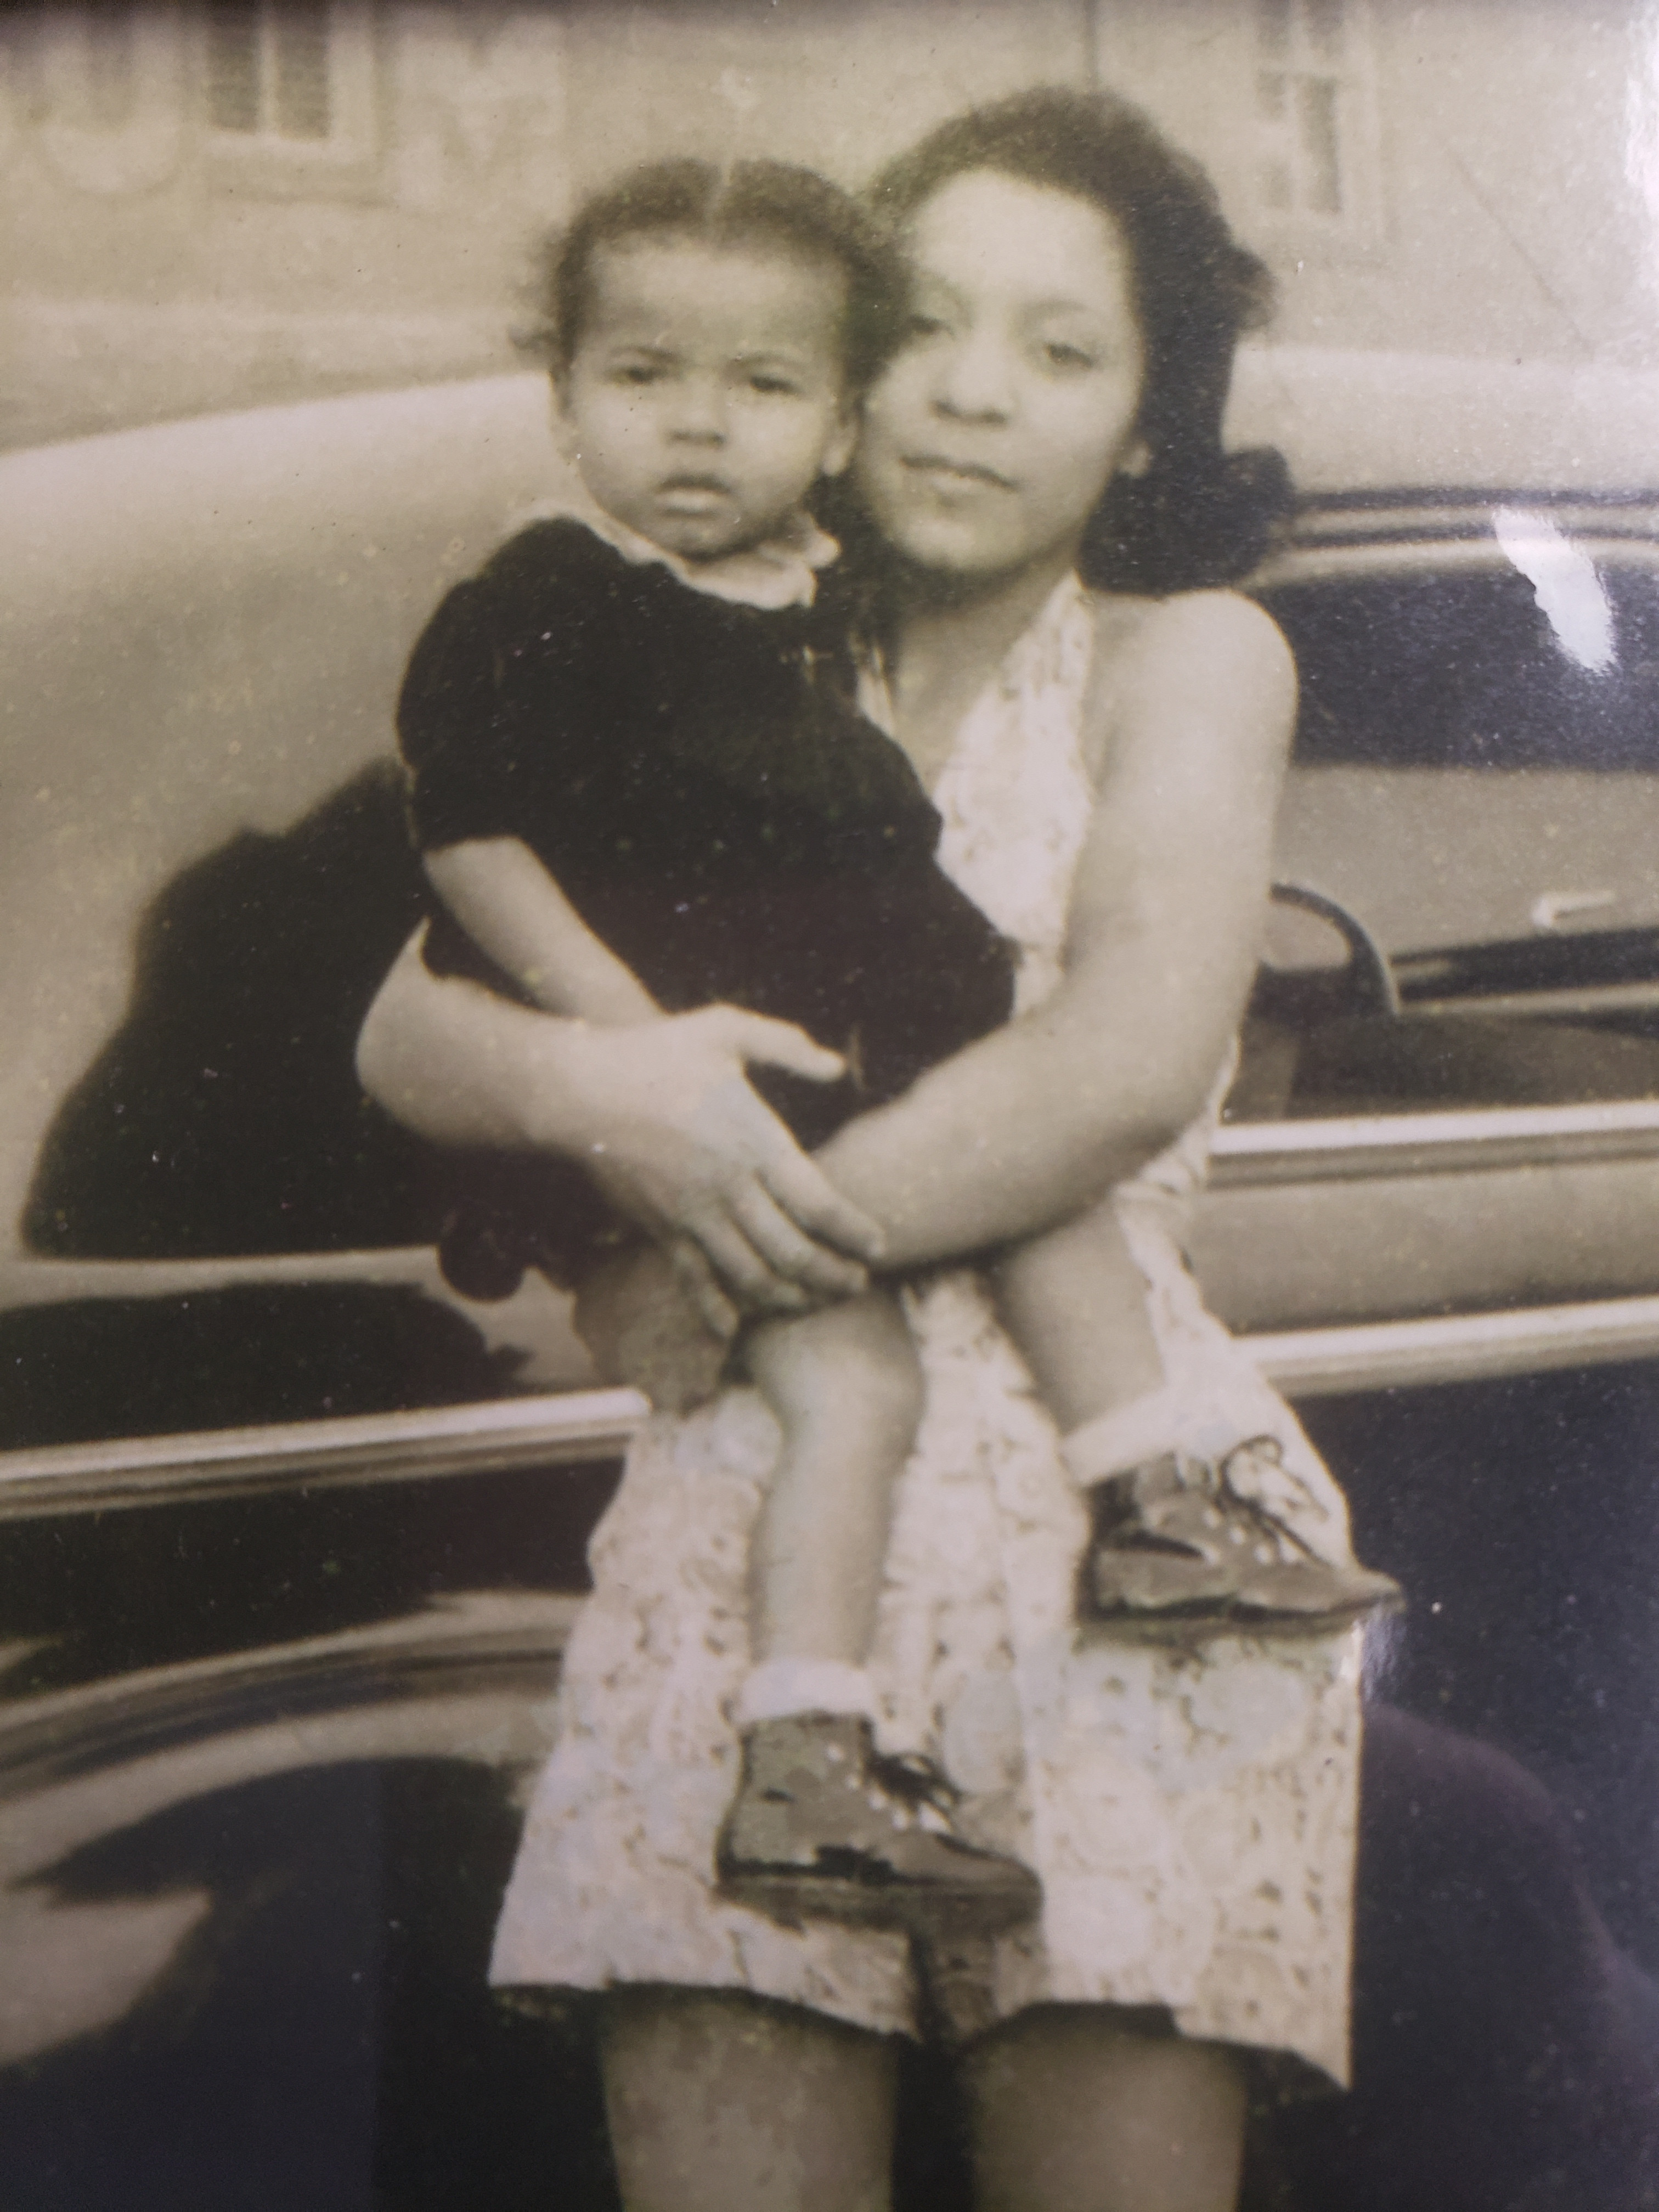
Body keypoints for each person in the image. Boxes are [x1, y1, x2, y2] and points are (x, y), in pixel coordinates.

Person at [359, 85, 1372, 2212]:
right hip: (756, 1522)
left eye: (1064, 352)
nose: (979, 398)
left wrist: (716, 1254)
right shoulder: (707, 633)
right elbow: (402, 1022)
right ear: (837, 364)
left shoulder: (1186, 661)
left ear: (1148, 423)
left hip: (1117, 1527)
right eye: (928, 329)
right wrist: (591, 1088)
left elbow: (1111, 1062)